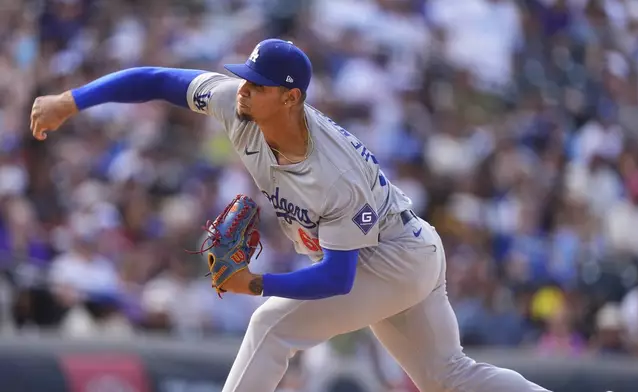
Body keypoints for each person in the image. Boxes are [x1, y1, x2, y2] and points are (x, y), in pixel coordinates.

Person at [30, 38, 551, 392]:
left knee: (271, 325)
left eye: (258, 85)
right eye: (246, 80)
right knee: (449, 377)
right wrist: (72, 101)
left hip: (393, 258)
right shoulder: (239, 105)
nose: (244, 89)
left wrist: (254, 284)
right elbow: (157, 78)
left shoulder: (334, 171)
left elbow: (338, 277)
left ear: (291, 97)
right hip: (398, 248)